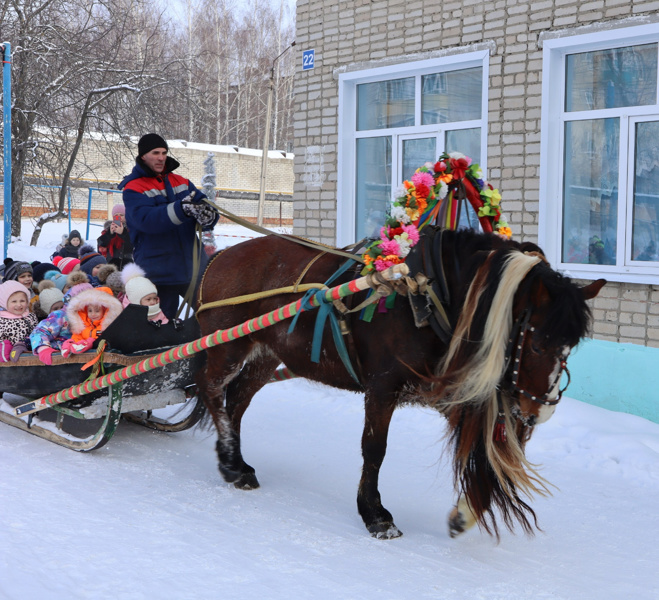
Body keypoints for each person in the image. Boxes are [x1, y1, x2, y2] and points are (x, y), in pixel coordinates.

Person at [119, 133, 219, 319]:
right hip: (159, 272)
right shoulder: (133, 188)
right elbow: (147, 220)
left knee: (213, 318)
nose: (161, 157)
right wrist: (181, 209)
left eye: (164, 152)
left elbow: (203, 206)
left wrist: (208, 216)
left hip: (194, 267)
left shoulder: (181, 182)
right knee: (163, 327)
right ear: (143, 156)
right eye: (155, 152)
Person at [30, 279, 93, 365]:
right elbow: (40, 331)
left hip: (84, 357)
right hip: (60, 357)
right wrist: (43, 349)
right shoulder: (61, 316)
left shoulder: (94, 317)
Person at [60, 287, 122, 357]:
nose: (93, 314)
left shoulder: (104, 327)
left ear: (105, 311)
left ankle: (82, 345)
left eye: (97, 311)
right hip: (84, 350)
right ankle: (67, 347)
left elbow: (101, 336)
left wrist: (90, 340)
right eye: (90, 311)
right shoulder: (83, 324)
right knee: (72, 339)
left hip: (98, 351)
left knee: (91, 340)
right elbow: (78, 335)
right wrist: (74, 341)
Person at [0, 280, 38, 362]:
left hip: (32, 356)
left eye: (22, 301)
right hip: (12, 360)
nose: (19, 305)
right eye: (14, 301)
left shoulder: (31, 316)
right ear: (4, 303)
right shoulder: (2, 321)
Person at [97, 204, 133, 269]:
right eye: (116, 215)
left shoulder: (131, 229)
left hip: (127, 265)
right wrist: (110, 233)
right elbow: (101, 244)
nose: (119, 217)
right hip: (110, 264)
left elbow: (132, 246)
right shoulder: (108, 229)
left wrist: (122, 233)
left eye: (122, 215)